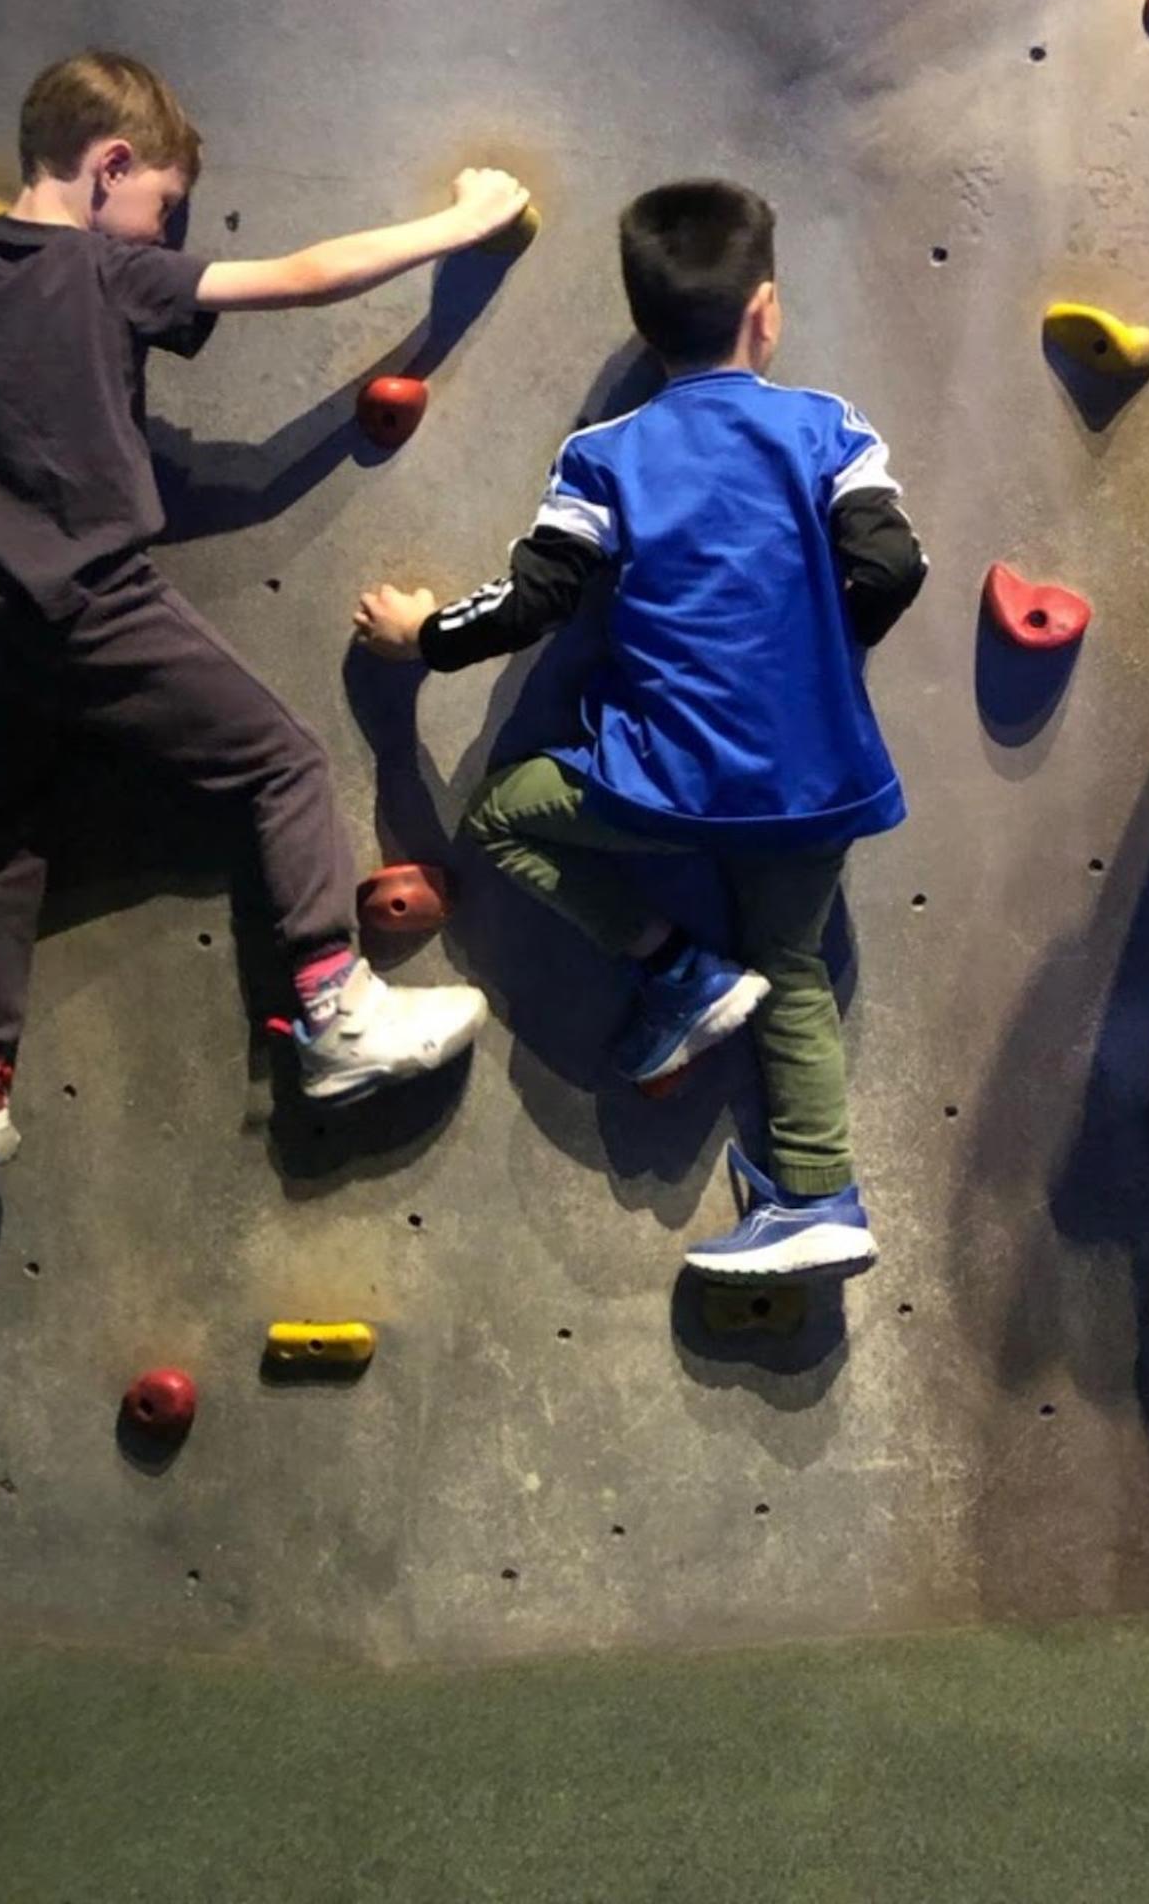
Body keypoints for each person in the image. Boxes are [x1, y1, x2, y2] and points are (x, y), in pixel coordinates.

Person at [0, 49, 529, 1173]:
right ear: (110, 165)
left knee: (1, 845)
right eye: (163, 205)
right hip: (87, 602)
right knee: (282, 763)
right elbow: (306, 276)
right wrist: (462, 222)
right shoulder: (105, 271)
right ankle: (335, 1012)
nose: (164, 233)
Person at [354, 180, 926, 1279]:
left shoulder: (606, 455)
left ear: (645, 326)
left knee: (503, 814)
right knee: (794, 968)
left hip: (660, 785)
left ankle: (676, 966)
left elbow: (533, 600)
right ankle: (819, 1197)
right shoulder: (828, 429)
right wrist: (811, 658)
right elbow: (894, 565)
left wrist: (422, 636)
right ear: (766, 310)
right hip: (814, 783)